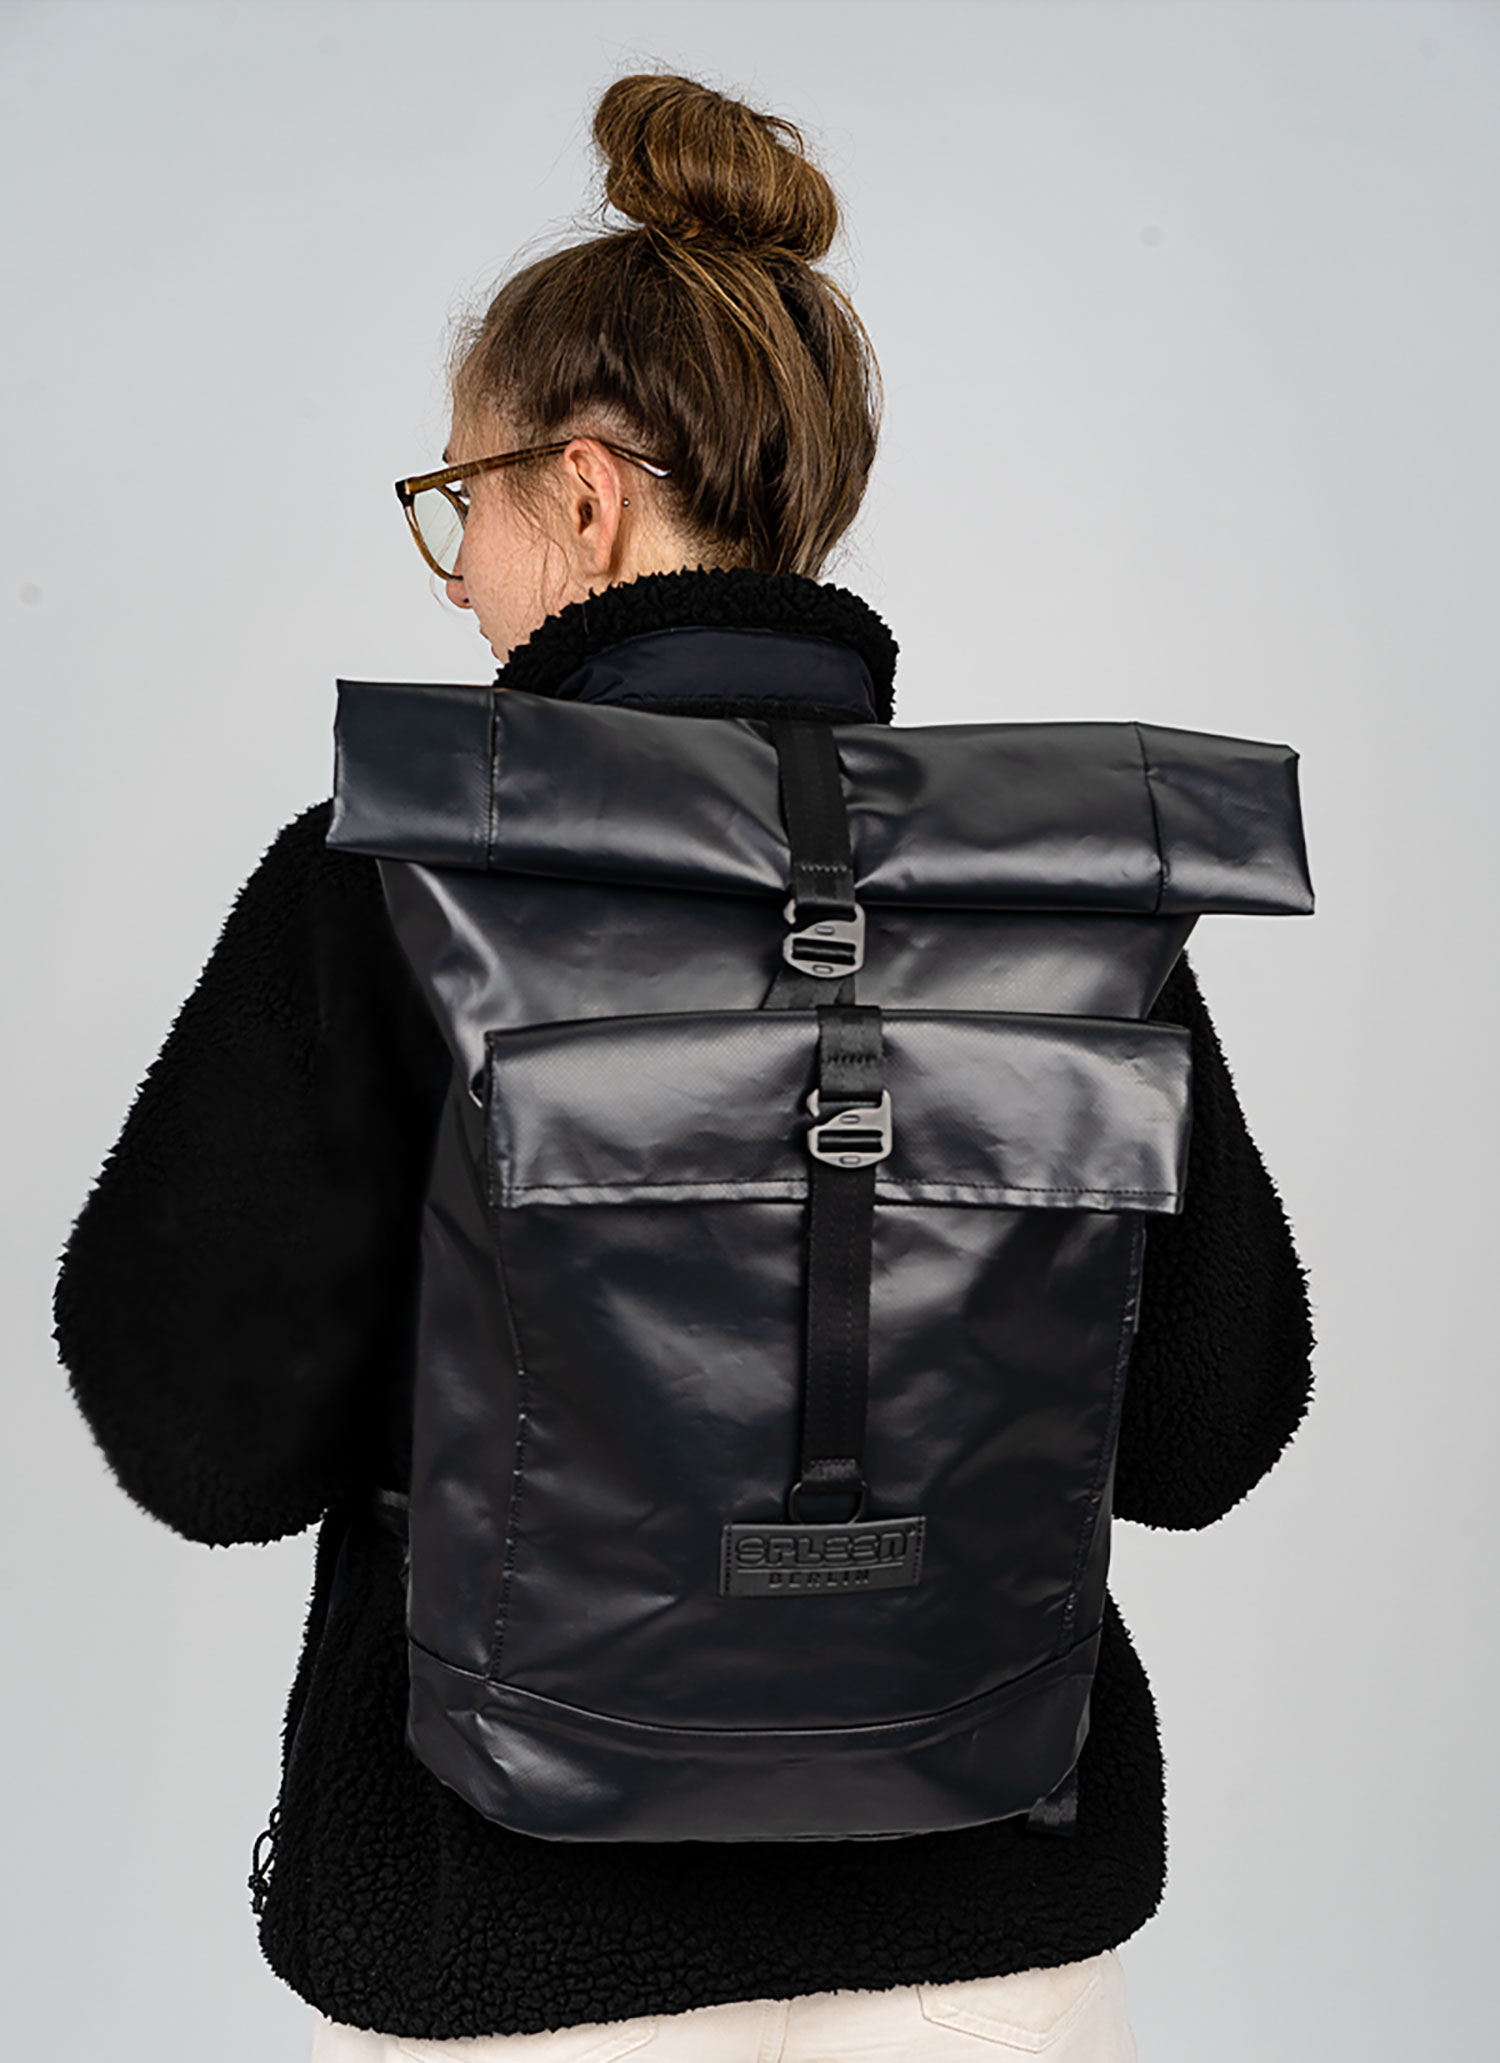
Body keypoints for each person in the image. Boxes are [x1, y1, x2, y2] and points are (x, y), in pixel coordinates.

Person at [52, 71, 1314, 2063]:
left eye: (457, 503)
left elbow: (202, 1452)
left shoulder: (387, 876)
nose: (456, 571)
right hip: (995, 1947)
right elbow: (1206, 1435)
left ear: (581, 490)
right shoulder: (1059, 892)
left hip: (508, 1940)